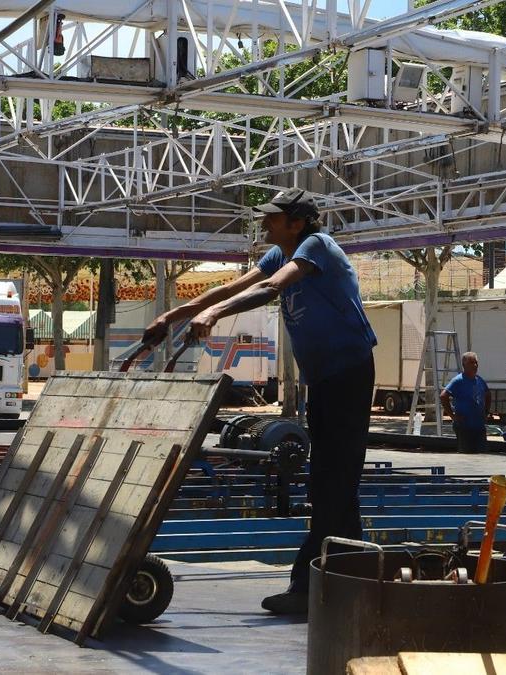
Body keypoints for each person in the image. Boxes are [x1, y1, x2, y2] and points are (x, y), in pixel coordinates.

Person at [143, 188, 377, 616]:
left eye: (274, 218)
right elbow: (232, 286)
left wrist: (213, 317)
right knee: (335, 483)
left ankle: (310, 587)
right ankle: (355, 578)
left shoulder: (316, 247)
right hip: (325, 380)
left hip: (349, 374)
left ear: (298, 222)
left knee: (331, 481)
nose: (265, 224)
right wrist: (171, 317)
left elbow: (272, 288)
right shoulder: (279, 253)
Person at [440, 352, 491, 454]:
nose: (475, 365)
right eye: (471, 363)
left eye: (476, 363)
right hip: (464, 426)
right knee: (467, 455)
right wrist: (453, 416)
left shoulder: (479, 380)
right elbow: (443, 396)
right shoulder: (458, 380)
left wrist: (486, 413)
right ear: (464, 365)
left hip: (479, 426)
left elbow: (488, 394)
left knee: (482, 454)